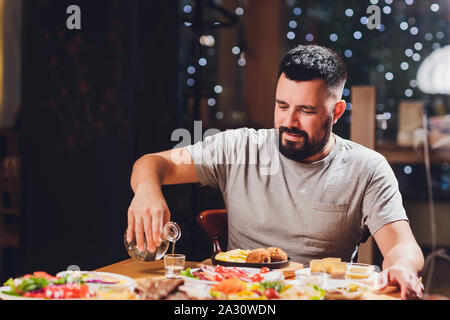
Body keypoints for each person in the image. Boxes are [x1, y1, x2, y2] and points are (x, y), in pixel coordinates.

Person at [127, 45, 424, 299]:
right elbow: (151, 163)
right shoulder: (239, 148)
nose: (289, 121)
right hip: (245, 298)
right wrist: (147, 191)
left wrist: (401, 267)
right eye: (282, 105)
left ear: (336, 112)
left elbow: (401, 245)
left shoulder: (367, 168)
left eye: (306, 111)